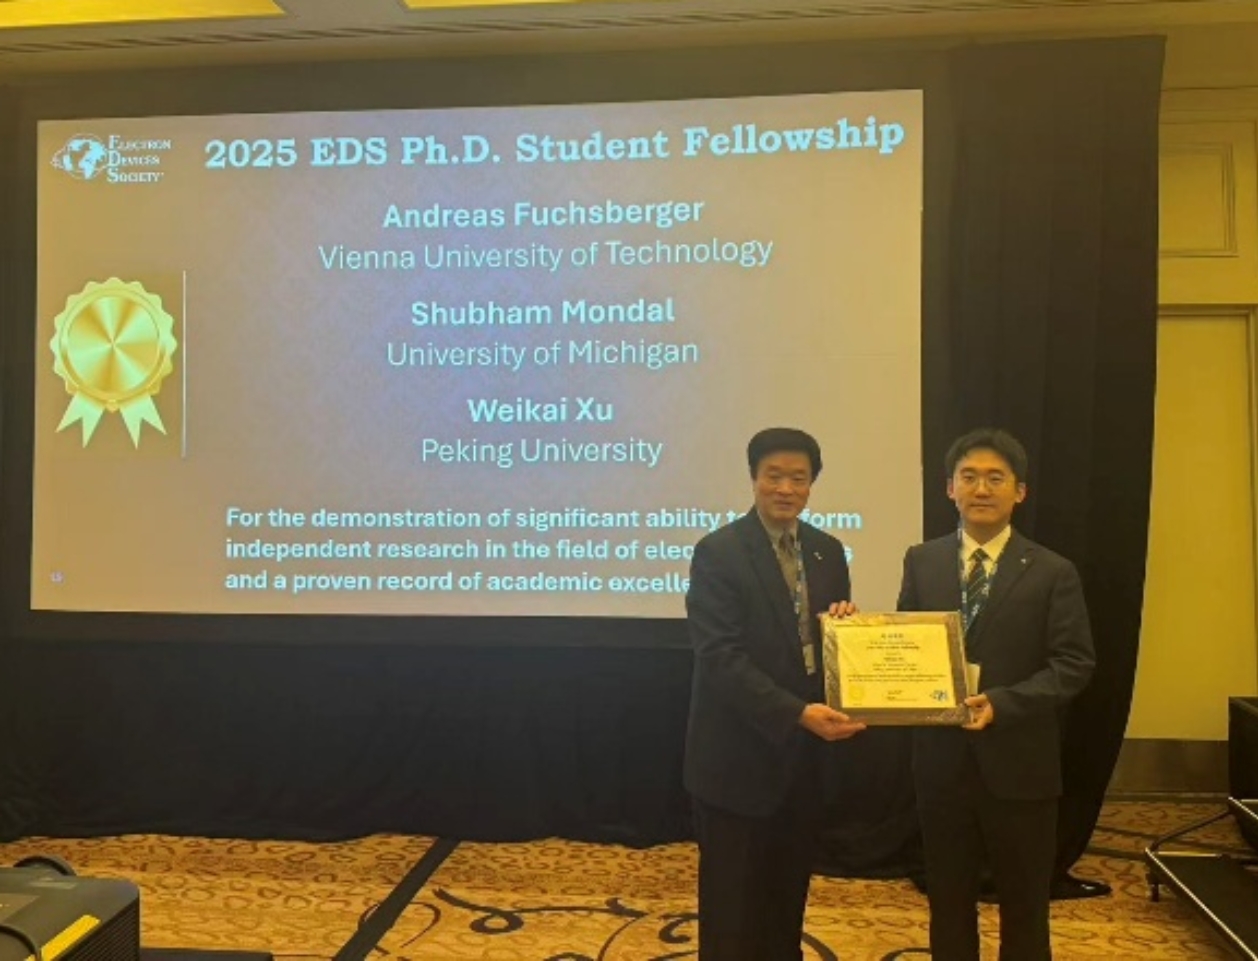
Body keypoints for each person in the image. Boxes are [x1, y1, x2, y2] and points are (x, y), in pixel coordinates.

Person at [898, 428, 1095, 961]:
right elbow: (907, 645)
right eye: (969, 477)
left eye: (995, 478)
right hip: (941, 764)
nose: (981, 489)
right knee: (948, 901)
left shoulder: (1053, 571)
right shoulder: (922, 561)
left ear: (1019, 491)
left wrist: (1003, 704)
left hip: (1020, 765)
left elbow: (1074, 664)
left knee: (1025, 906)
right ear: (950, 488)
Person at [684, 427, 865, 961]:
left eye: (798, 478)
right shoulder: (718, 552)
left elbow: (820, 645)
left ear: (811, 485)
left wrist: (844, 631)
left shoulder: (827, 552)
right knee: (731, 910)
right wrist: (796, 714)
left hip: (801, 761)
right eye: (774, 476)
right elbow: (720, 657)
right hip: (736, 758)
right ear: (754, 478)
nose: (786, 489)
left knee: (785, 899)